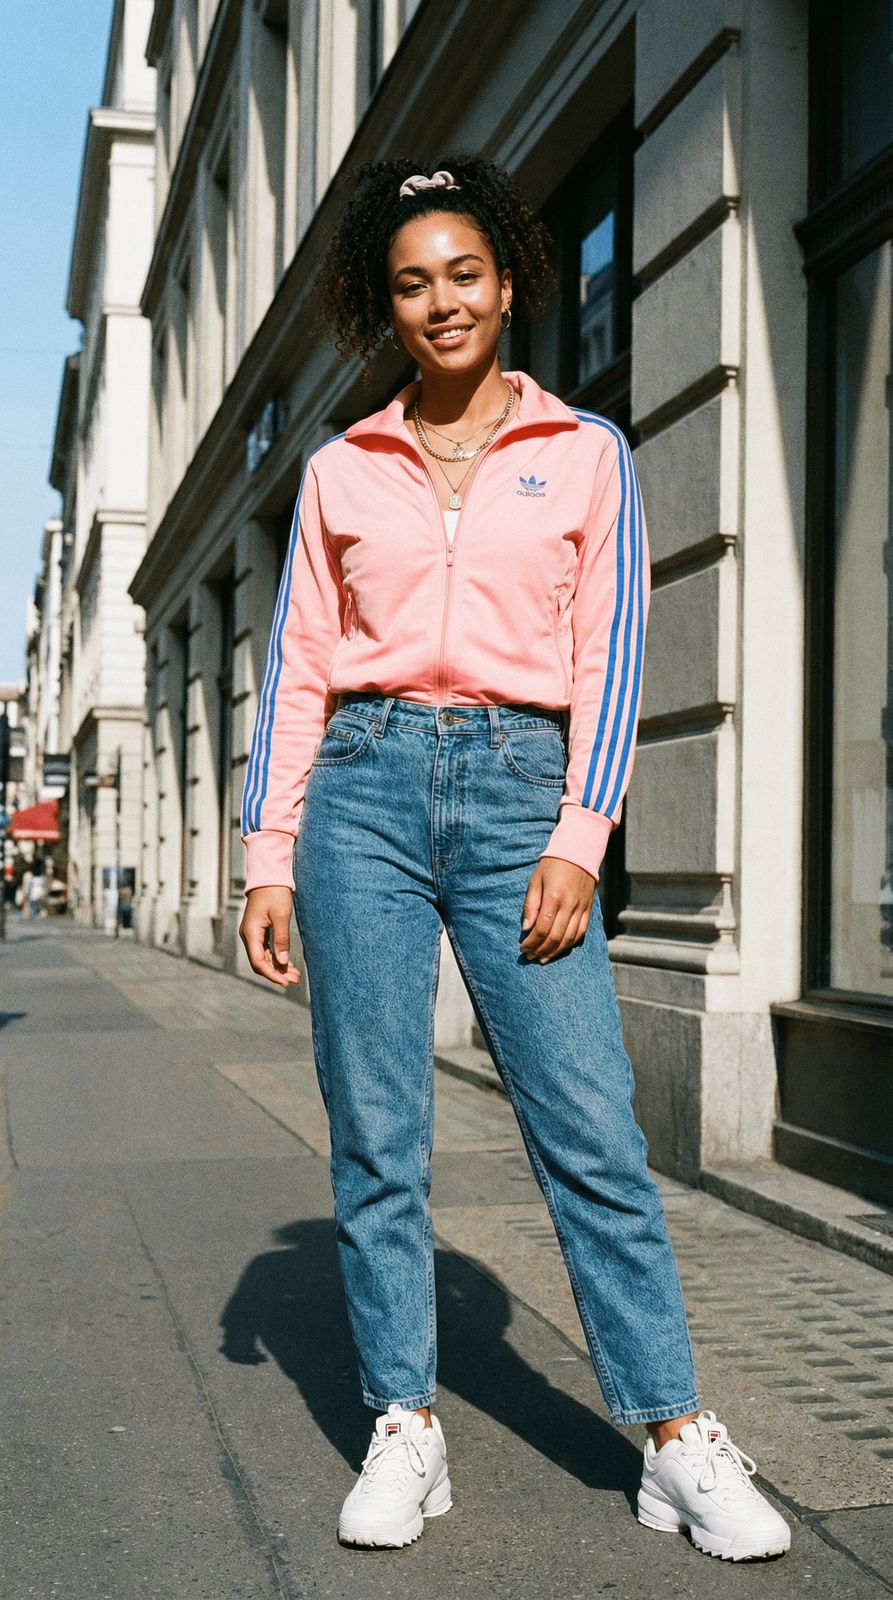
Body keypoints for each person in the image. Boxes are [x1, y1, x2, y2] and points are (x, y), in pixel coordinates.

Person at [239, 155, 791, 1564]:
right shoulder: (337, 470)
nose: (441, 302)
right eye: (412, 281)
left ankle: (671, 1436)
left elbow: (612, 653)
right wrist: (265, 854)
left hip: (515, 793)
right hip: (358, 793)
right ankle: (403, 1423)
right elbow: (298, 668)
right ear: (385, 299)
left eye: (464, 273)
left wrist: (579, 834)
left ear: (509, 281)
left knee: (589, 1129)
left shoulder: (586, 449)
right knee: (376, 1132)